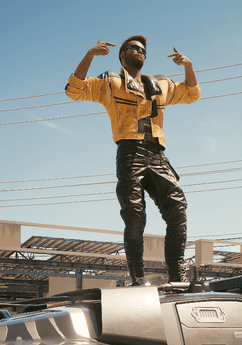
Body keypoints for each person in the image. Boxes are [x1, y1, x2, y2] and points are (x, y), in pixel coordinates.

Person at [66, 36, 200, 285]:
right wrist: (90, 55)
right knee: (135, 215)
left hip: (157, 154)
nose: (139, 52)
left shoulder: (160, 84)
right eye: (134, 48)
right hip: (129, 152)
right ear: (123, 55)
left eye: (143, 50)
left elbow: (192, 93)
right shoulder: (111, 82)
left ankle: (177, 276)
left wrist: (188, 66)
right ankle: (138, 278)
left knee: (177, 209)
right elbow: (74, 90)